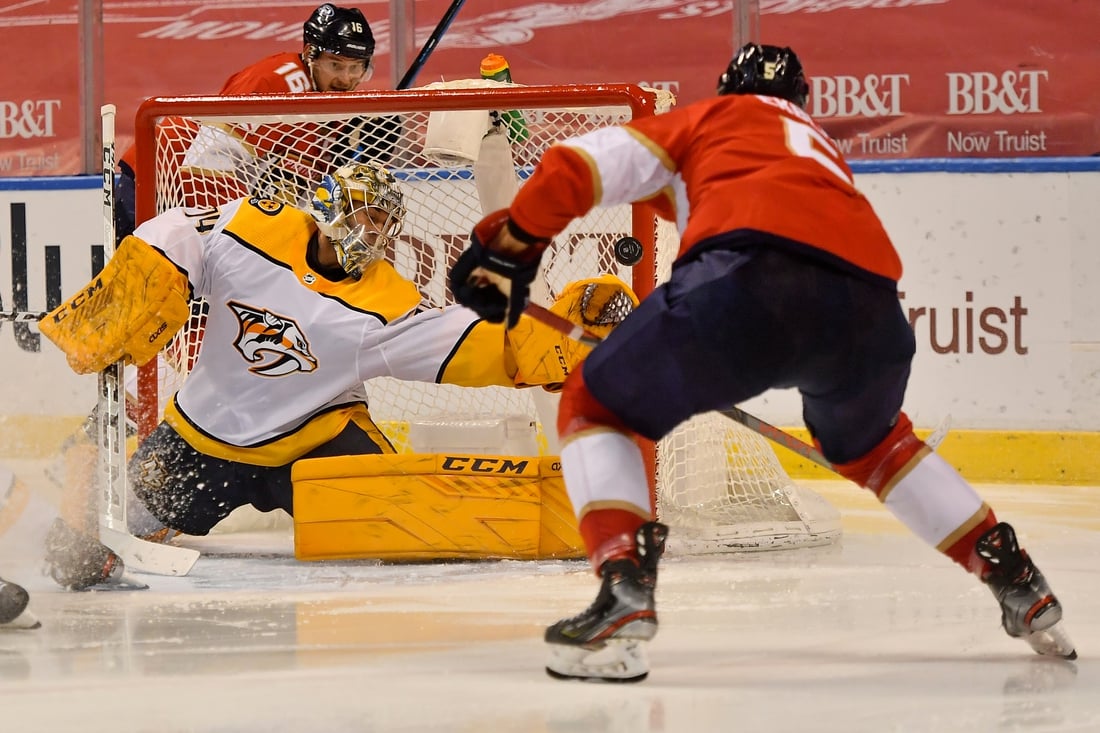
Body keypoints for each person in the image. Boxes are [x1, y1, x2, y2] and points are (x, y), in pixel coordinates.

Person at [448, 43, 1076, 682]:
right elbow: (714, 200)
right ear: (801, 103)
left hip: (747, 284)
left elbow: (577, 166)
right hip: (872, 314)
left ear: (726, 93)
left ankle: (623, 591)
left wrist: (509, 244)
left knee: (593, 405)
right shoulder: (816, 150)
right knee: (880, 450)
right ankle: (1017, 579)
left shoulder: (711, 121)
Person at [39, 162, 632, 590]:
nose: (372, 234)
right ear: (327, 208)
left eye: (383, 225)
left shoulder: (385, 305)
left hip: (317, 442)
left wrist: (563, 337)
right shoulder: (257, 228)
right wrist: (151, 268)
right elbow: (180, 229)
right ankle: (107, 523)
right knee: (91, 539)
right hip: (205, 437)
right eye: (364, 216)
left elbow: (475, 345)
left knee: (403, 525)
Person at [114, 3, 397, 242]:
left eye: (356, 68)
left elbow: (291, 190)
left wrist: (350, 165)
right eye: (336, 65)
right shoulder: (275, 83)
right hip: (159, 180)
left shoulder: (333, 108)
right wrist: (247, 235)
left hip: (196, 195)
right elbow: (207, 164)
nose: (346, 79)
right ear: (310, 54)